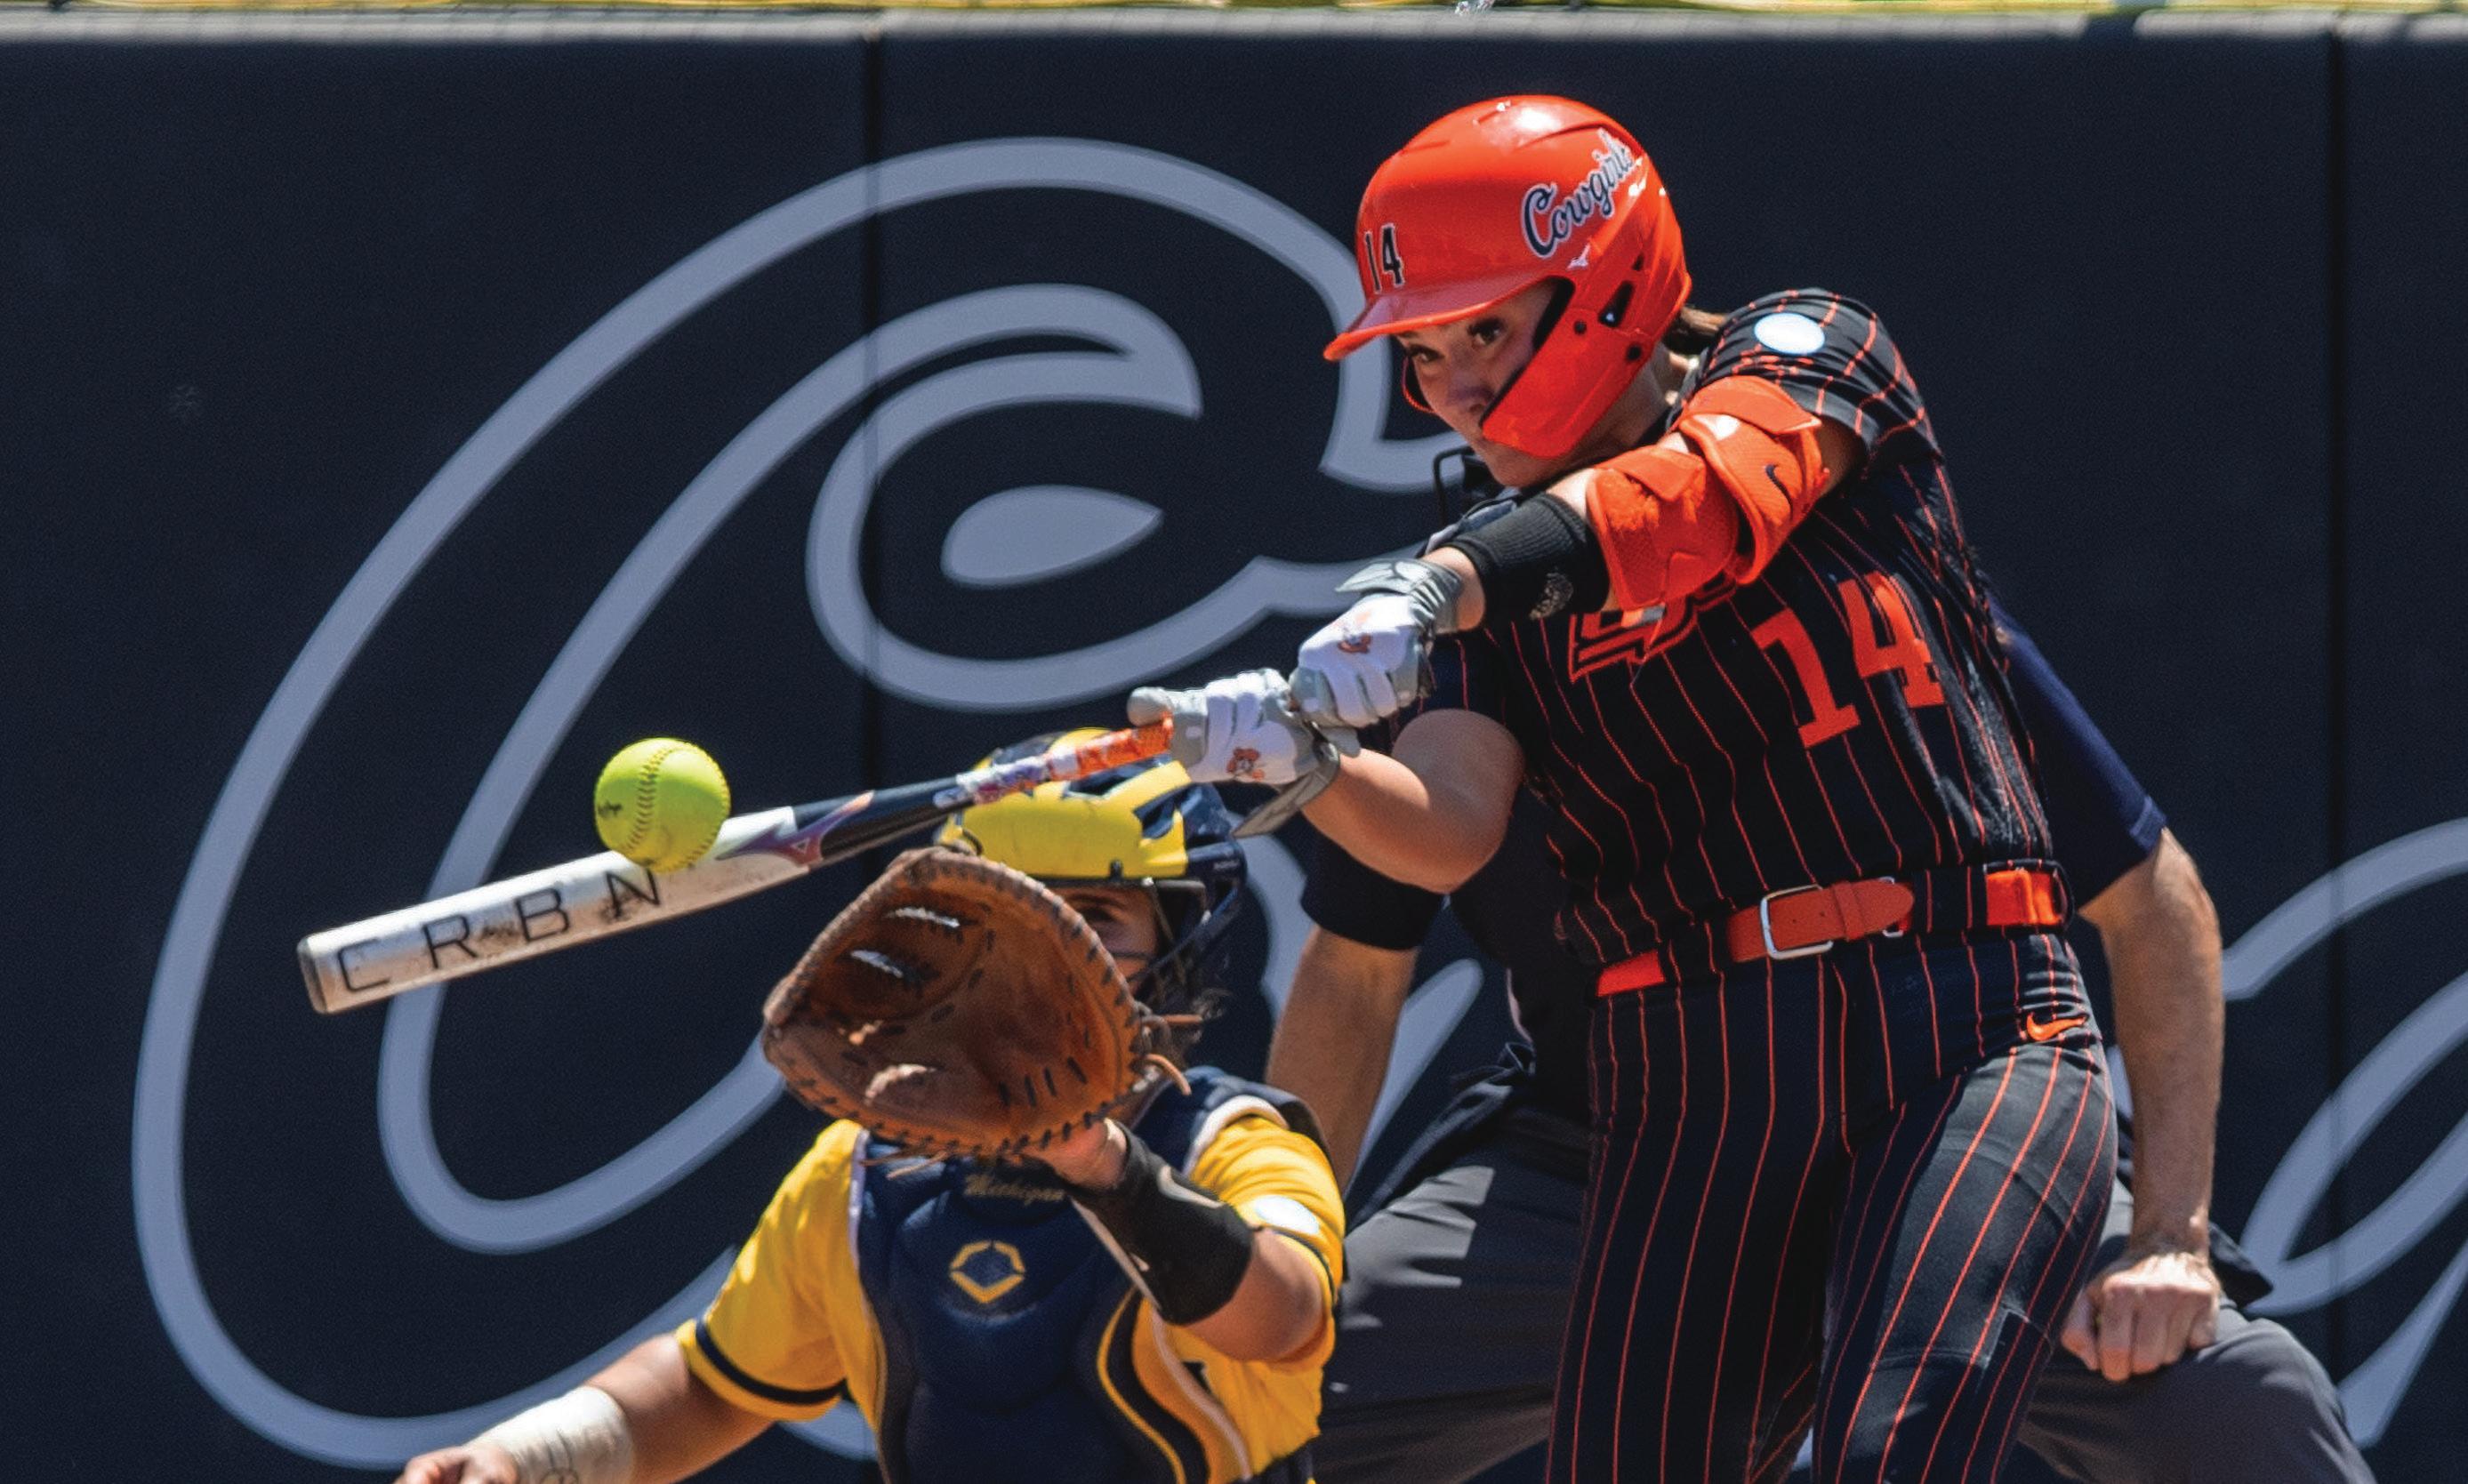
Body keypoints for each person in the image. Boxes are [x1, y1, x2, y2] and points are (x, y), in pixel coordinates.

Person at [1133, 96, 2114, 1480]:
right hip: (1692, 1075)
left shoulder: (1811, 354)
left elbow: (1693, 503)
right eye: (1422, 352)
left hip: (1961, 1014)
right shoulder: (1473, 580)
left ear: (1604, 284)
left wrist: (1437, 587)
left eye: (1484, 331)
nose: (1452, 386)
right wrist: (1305, 764)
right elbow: (1446, 831)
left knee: (1894, 1451)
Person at [1278, 587, 2375, 1484]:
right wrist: (1275, 1244)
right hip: (1612, 1155)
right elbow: (1354, 972)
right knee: (1250, 1393)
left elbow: (2152, 896)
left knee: (2240, 1399)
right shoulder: (1440, 648)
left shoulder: (1881, 589)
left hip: (1930, 1124)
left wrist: (2171, 1236)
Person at [396, 739, 1345, 1484]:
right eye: (1014, 917)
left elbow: (1287, 1320)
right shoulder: (866, 1171)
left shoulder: (1233, 1142)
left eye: (1095, 918)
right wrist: (526, 1457)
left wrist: (1099, 1161)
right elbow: (712, 1386)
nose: (1048, 957)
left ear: (1181, 945)